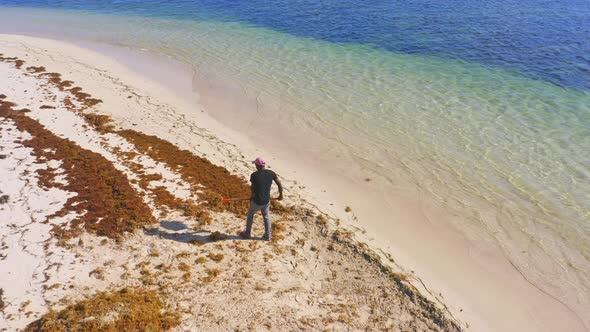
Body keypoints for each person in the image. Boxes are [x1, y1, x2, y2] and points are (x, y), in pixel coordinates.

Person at [240, 157, 283, 241]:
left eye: (255, 164)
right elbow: (279, 184)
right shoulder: (271, 173)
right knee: (266, 216)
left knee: (250, 215)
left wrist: (252, 197)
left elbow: (252, 188)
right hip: (266, 201)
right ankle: (268, 236)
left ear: (257, 165)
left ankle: (247, 233)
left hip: (256, 201)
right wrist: (280, 195)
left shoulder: (254, 175)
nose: (255, 166)